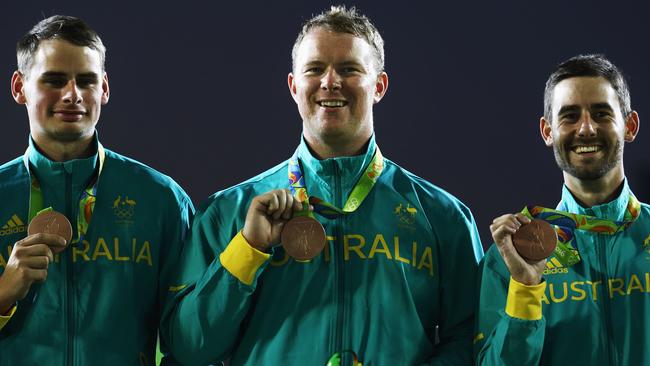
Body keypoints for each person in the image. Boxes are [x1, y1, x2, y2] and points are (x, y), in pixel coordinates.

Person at [163, 6, 483, 365]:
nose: (330, 81)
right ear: (293, 85)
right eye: (315, 69)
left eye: (349, 69)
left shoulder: (444, 216)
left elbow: (470, 341)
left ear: (379, 86)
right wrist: (249, 249)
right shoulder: (228, 212)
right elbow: (187, 349)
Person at [0, 15, 194, 365]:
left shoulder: (162, 199)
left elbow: (193, 339)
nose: (72, 95)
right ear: (19, 87)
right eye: (54, 80)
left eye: (85, 81)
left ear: (104, 88)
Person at [474, 54, 647, 365]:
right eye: (569, 116)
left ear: (630, 126)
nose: (585, 129)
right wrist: (525, 289)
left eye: (601, 113)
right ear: (547, 131)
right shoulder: (512, 252)